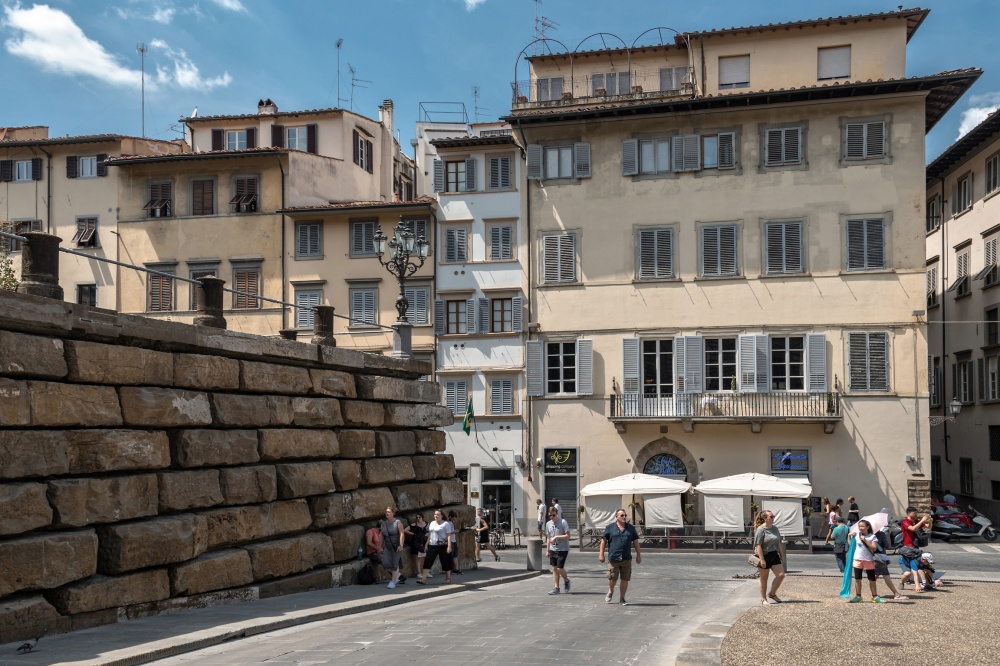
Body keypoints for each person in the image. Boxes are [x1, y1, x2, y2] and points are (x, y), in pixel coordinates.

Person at [598, 509, 641, 606]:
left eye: (625, 515)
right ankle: (611, 590)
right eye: (622, 515)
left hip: (626, 558)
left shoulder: (630, 528)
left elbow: (635, 542)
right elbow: (603, 541)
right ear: (616, 517)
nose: (624, 517)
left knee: (625, 579)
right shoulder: (610, 528)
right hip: (614, 558)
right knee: (612, 578)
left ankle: (622, 598)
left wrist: (638, 555)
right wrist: (601, 554)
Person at [753, 510, 786, 605]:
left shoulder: (775, 528)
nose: (773, 518)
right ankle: (763, 598)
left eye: (773, 516)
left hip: (774, 554)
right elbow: (758, 545)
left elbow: (778, 542)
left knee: (781, 575)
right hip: (764, 554)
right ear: (765, 518)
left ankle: (772, 594)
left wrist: (782, 555)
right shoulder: (760, 529)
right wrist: (762, 559)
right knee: (764, 578)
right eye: (771, 517)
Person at [848, 519, 883, 603]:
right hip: (857, 559)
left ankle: (874, 596)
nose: (861, 528)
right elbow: (850, 545)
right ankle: (858, 596)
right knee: (857, 578)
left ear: (867, 527)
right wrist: (849, 537)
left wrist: (865, 540)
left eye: (863, 526)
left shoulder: (872, 537)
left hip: (868, 559)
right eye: (859, 526)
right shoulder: (856, 536)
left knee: (871, 579)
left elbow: (874, 548)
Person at [899, 506, 930, 593]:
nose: (916, 514)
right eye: (915, 513)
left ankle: (926, 584)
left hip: (915, 546)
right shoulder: (905, 522)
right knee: (910, 570)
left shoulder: (916, 521)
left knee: (920, 565)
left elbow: (928, 526)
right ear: (909, 513)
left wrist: (930, 521)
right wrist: (922, 521)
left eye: (917, 513)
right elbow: (912, 528)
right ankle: (903, 582)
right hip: (907, 548)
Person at [417, 510, 453, 585]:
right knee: (427, 561)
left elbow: (449, 535)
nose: (436, 516)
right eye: (435, 514)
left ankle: (448, 578)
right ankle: (423, 579)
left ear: (442, 516)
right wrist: (427, 544)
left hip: (443, 545)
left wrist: (449, 546)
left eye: (437, 515)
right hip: (432, 545)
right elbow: (430, 534)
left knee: (445, 561)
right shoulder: (432, 523)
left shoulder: (445, 524)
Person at [873, 526, 907, 600]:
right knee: (885, 575)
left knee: (873, 577)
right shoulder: (880, 534)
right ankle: (895, 594)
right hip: (879, 558)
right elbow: (887, 546)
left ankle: (873, 594)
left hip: (870, 557)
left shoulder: (867, 535)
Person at [545, 506, 571, 595]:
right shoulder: (548, 524)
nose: (552, 517)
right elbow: (548, 538)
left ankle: (567, 580)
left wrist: (556, 537)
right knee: (554, 569)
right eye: (550, 516)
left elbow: (568, 535)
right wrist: (547, 550)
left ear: (556, 514)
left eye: (553, 515)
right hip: (553, 548)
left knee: (560, 568)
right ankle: (556, 588)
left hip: (563, 548)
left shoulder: (563, 522)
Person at [380, 507, 406, 589]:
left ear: (393, 513)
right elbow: (381, 535)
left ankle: (393, 582)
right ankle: (397, 576)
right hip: (387, 546)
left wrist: (401, 545)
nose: (387, 513)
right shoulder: (383, 523)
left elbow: (402, 533)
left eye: (389, 512)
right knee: (386, 563)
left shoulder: (397, 522)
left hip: (396, 546)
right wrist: (379, 546)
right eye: (386, 512)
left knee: (395, 564)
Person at [409, 514, 430, 582]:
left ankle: (426, 572)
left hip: (424, 542)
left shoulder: (426, 524)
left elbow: (430, 531)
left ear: (422, 517)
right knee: (417, 557)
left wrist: (426, 535)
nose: (418, 518)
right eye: (417, 517)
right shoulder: (414, 525)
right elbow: (405, 530)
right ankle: (419, 572)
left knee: (425, 557)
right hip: (416, 542)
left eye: (419, 517)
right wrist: (413, 534)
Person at [447, 510, 462, 575]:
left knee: (455, 555)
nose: (454, 519)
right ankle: (451, 569)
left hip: (454, 540)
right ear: (450, 517)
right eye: (453, 518)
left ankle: (456, 569)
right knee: (451, 556)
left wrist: (454, 531)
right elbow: (448, 532)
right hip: (450, 541)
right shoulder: (448, 523)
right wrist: (454, 532)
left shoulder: (451, 523)